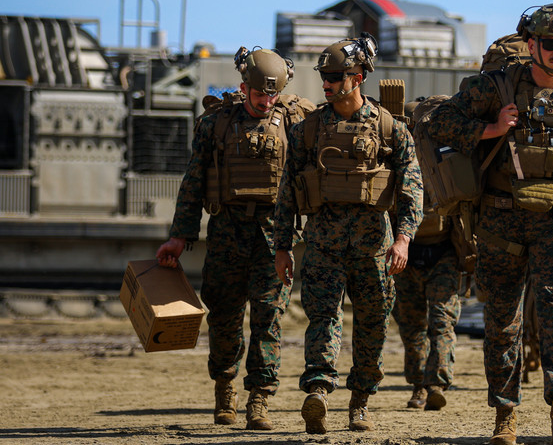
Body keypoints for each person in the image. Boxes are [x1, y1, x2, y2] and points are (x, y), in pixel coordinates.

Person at [426, 4, 553, 445]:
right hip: (500, 222)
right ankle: (506, 415)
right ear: (532, 43)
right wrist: (491, 129)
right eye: (550, 44)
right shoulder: (496, 87)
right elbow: (437, 121)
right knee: (503, 321)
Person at [156, 47, 314, 430]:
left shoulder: (295, 123)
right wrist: (179, 236)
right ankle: (225, 388)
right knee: (224, 316)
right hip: (226, 231)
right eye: (259, 94)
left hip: (273, 235)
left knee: (268, 317)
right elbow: (193, 182)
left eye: (273, 95)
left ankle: (260, 398)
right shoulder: (216, 125)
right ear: (244, 88)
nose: (266, 102)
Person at [272, 36, 423, 434]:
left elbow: (412, 189)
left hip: (374, 248)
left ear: (357, 78)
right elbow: (287, 191)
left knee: (373, 325)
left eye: (335, 77)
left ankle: (360, 402)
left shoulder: (391, 129)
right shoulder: (307, 131)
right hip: (323, 245)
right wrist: (282, 246)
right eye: (324, 76)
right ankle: (318, 391)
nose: (326, 83)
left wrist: (404, 238)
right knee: (322, 319)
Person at [393, 99, 465, 412]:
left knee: (442, 321)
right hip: (405, 254)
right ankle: (418, 384)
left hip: (443, 252)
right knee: (411, 326)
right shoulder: (396, 158)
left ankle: (436, 383)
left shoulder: (449, 156)